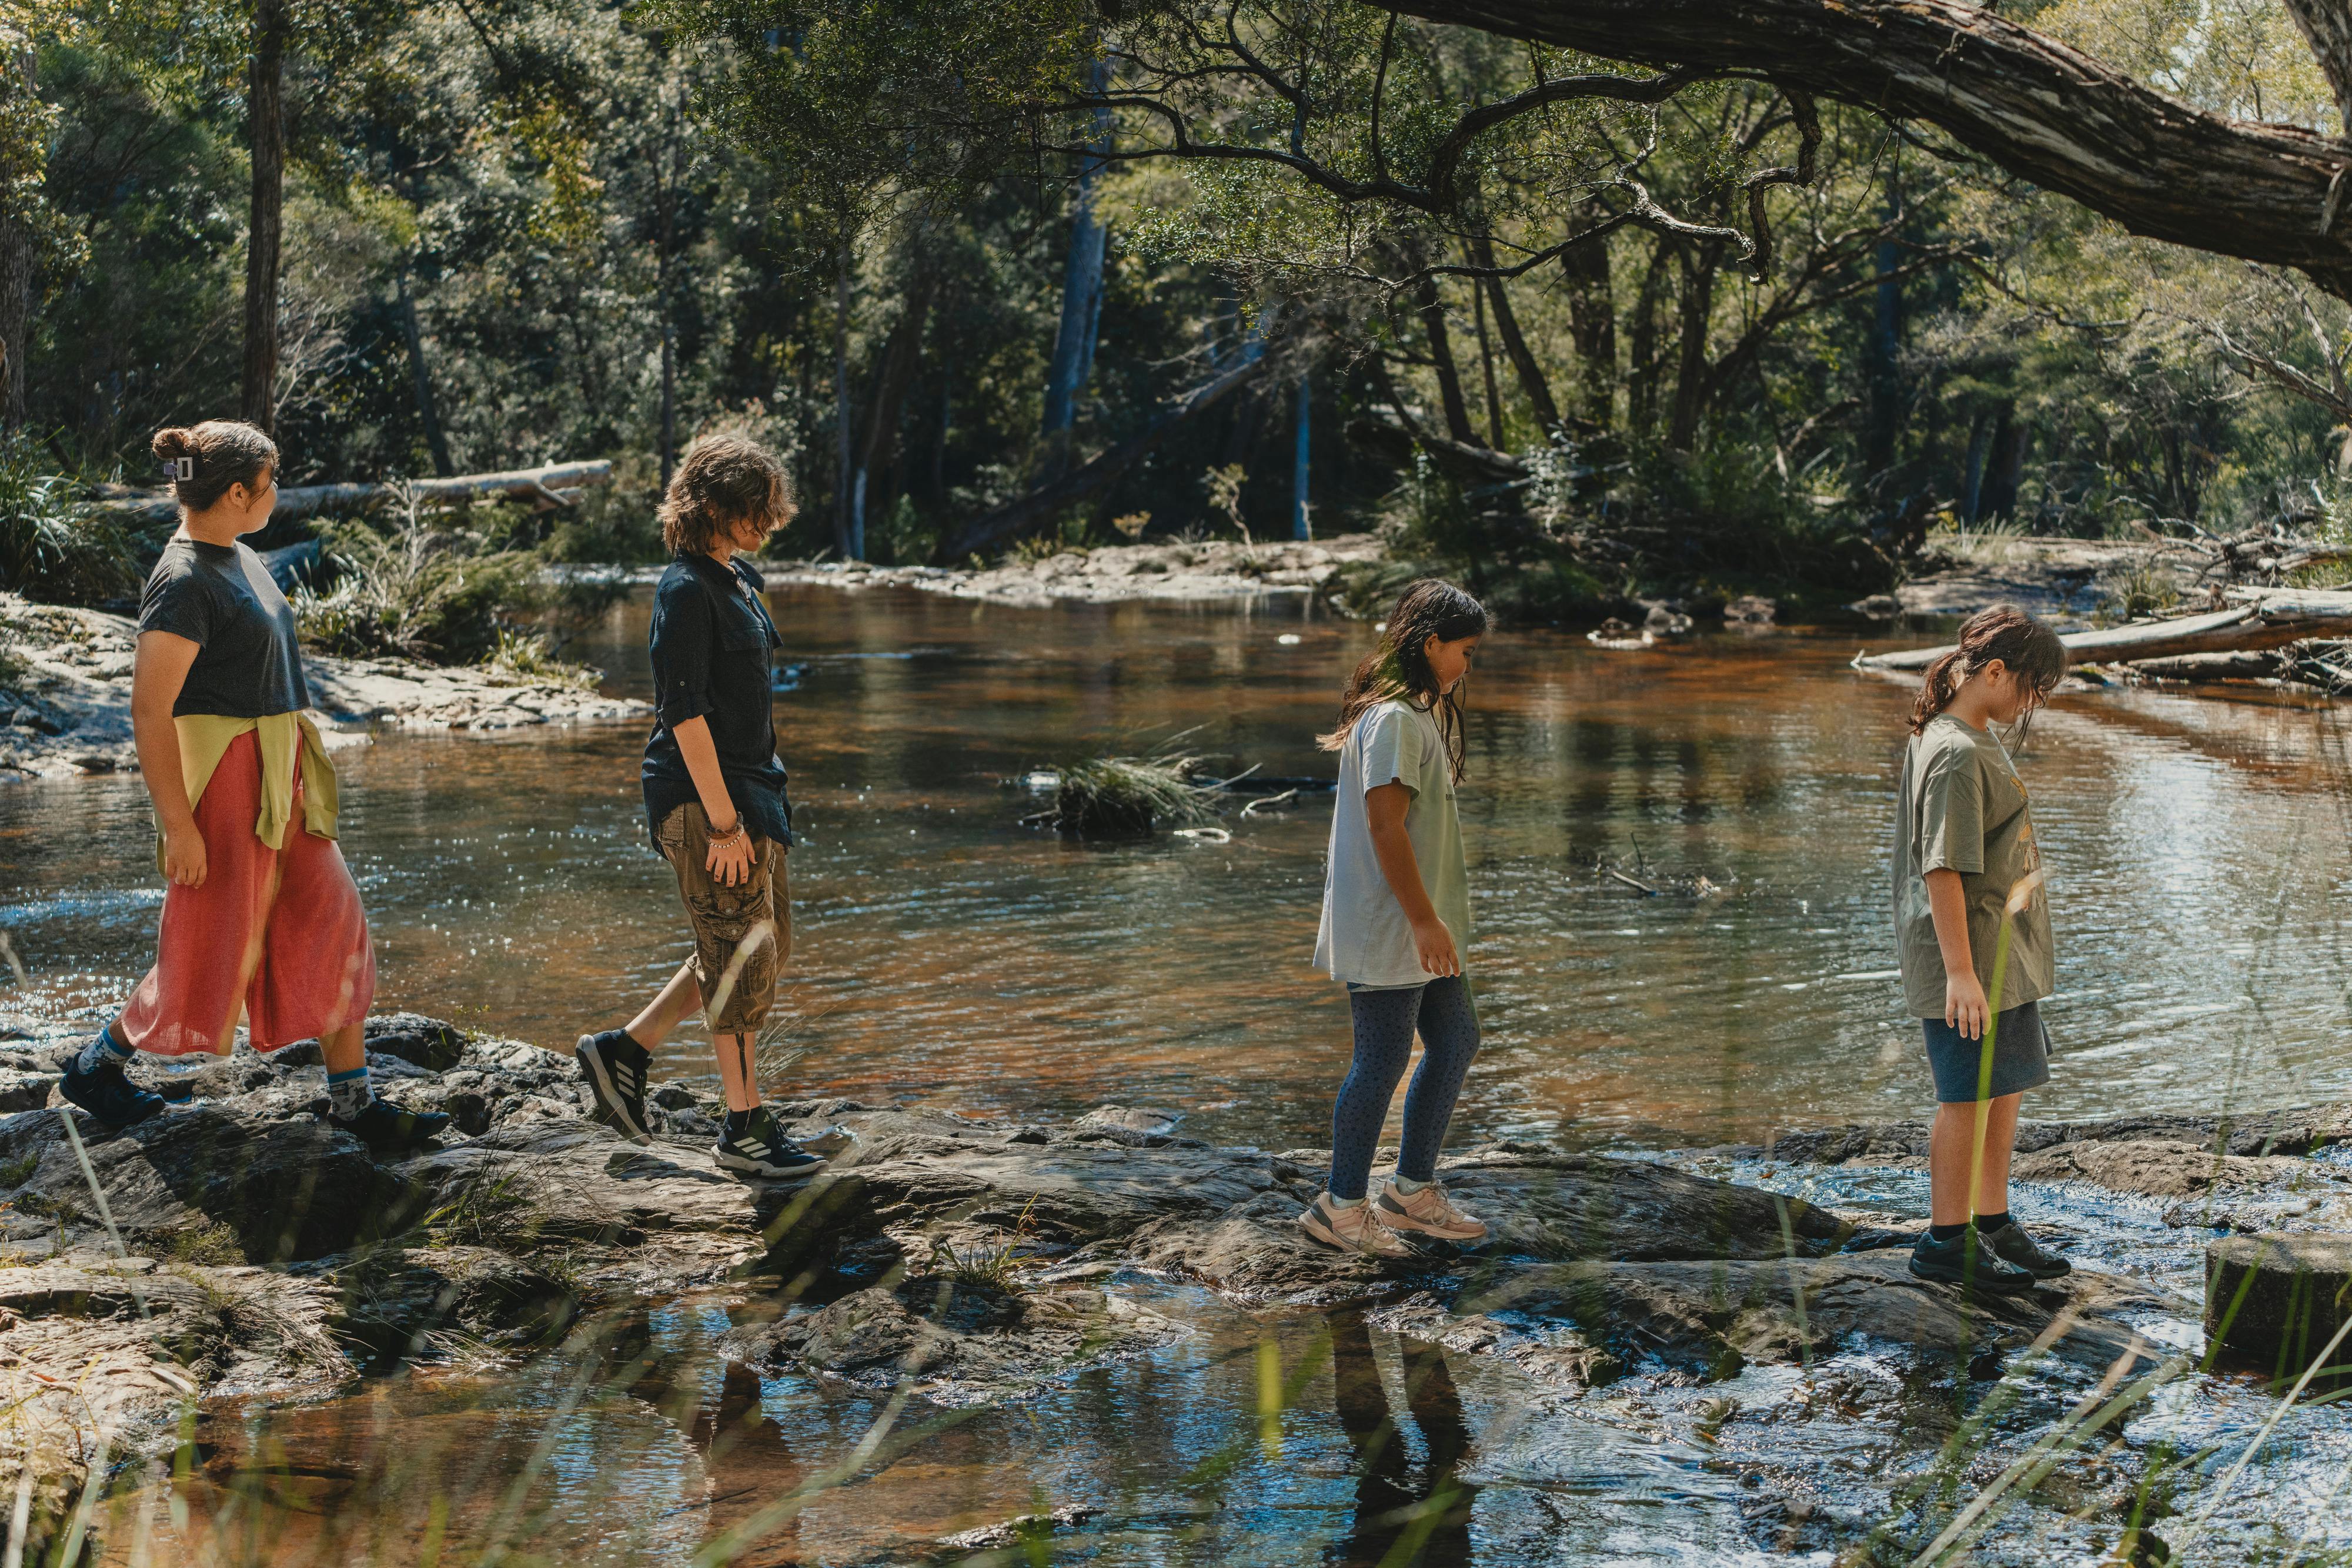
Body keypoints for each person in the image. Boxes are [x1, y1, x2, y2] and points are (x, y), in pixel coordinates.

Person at [60, 422, 448, 1150]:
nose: (278, 495)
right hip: (226, 788)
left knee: (334, 917)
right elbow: (149, 709)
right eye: (271, 483)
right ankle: (95, 1066)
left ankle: (353, 1101)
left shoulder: (238, 555)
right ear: (237, 492)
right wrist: (179, 826)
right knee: (210, 947)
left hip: (281, 778)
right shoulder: (182, 580)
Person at [574, 436, 824, 1179]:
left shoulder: (735, 578)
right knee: (740, 956)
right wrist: (722, 821)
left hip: (753, 793)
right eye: (755, 511)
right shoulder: (684, 588)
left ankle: (623, 1051)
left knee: (760, 941)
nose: (767, 524)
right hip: (708, 801)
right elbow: (683, 713)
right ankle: (742, 1127)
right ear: (710, 505)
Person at [1298, 579, 1491, 1255]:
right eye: (1464, 651)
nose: (1468, 666)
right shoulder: (1394, 721)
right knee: (1380, 1062)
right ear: (1430, 642)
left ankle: (1409, 1193)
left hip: (1422, 923)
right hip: (1396, 924)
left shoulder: (1416, 713)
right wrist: (1422, 922)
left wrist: (1433, 921)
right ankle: (1339, 1207)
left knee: (1457, 1039)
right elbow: (1386, 829)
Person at [1895, 602, 2073, 1292]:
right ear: (1994, 671)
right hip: (1968, 963)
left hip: (2003, 960)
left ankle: (1991, 1220)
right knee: (1965, 1097)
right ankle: (1945, 1243)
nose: (2035, 703)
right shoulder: (1953, 751)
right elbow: (1941, 868)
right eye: (2032, 688)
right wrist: (1961, 974)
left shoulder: (1966, 732)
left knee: (2004, 1087)